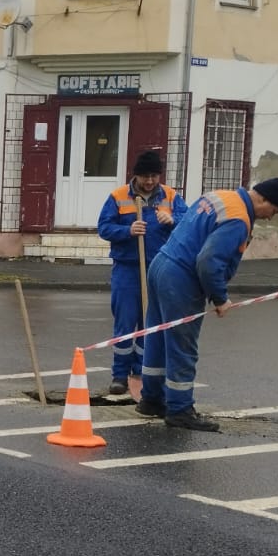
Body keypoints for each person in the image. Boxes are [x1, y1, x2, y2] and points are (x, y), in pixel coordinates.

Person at [137, 177, 278, 431]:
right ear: (262, 199)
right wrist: (220, 298)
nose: (270, 218)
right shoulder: (238, 219)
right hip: (181, 278)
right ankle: (179, 410)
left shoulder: (219, 196)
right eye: (273, 211)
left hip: (161, 264)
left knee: (157, 336)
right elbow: (208, 262)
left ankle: (151, 399)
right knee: (182, 345)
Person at [95, 149, 185, 395]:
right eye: (145, 176)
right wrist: (127, 231)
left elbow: (188, 221)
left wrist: (172, 220)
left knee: (151, 324)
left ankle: (141, 371)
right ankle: (119, 375)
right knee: (125, 323)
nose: (149, 181)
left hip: (158, 268)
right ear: (136, 176)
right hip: (127, 268)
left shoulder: (170, 196)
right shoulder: (119, 196)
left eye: (154, 176)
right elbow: (103, 228)